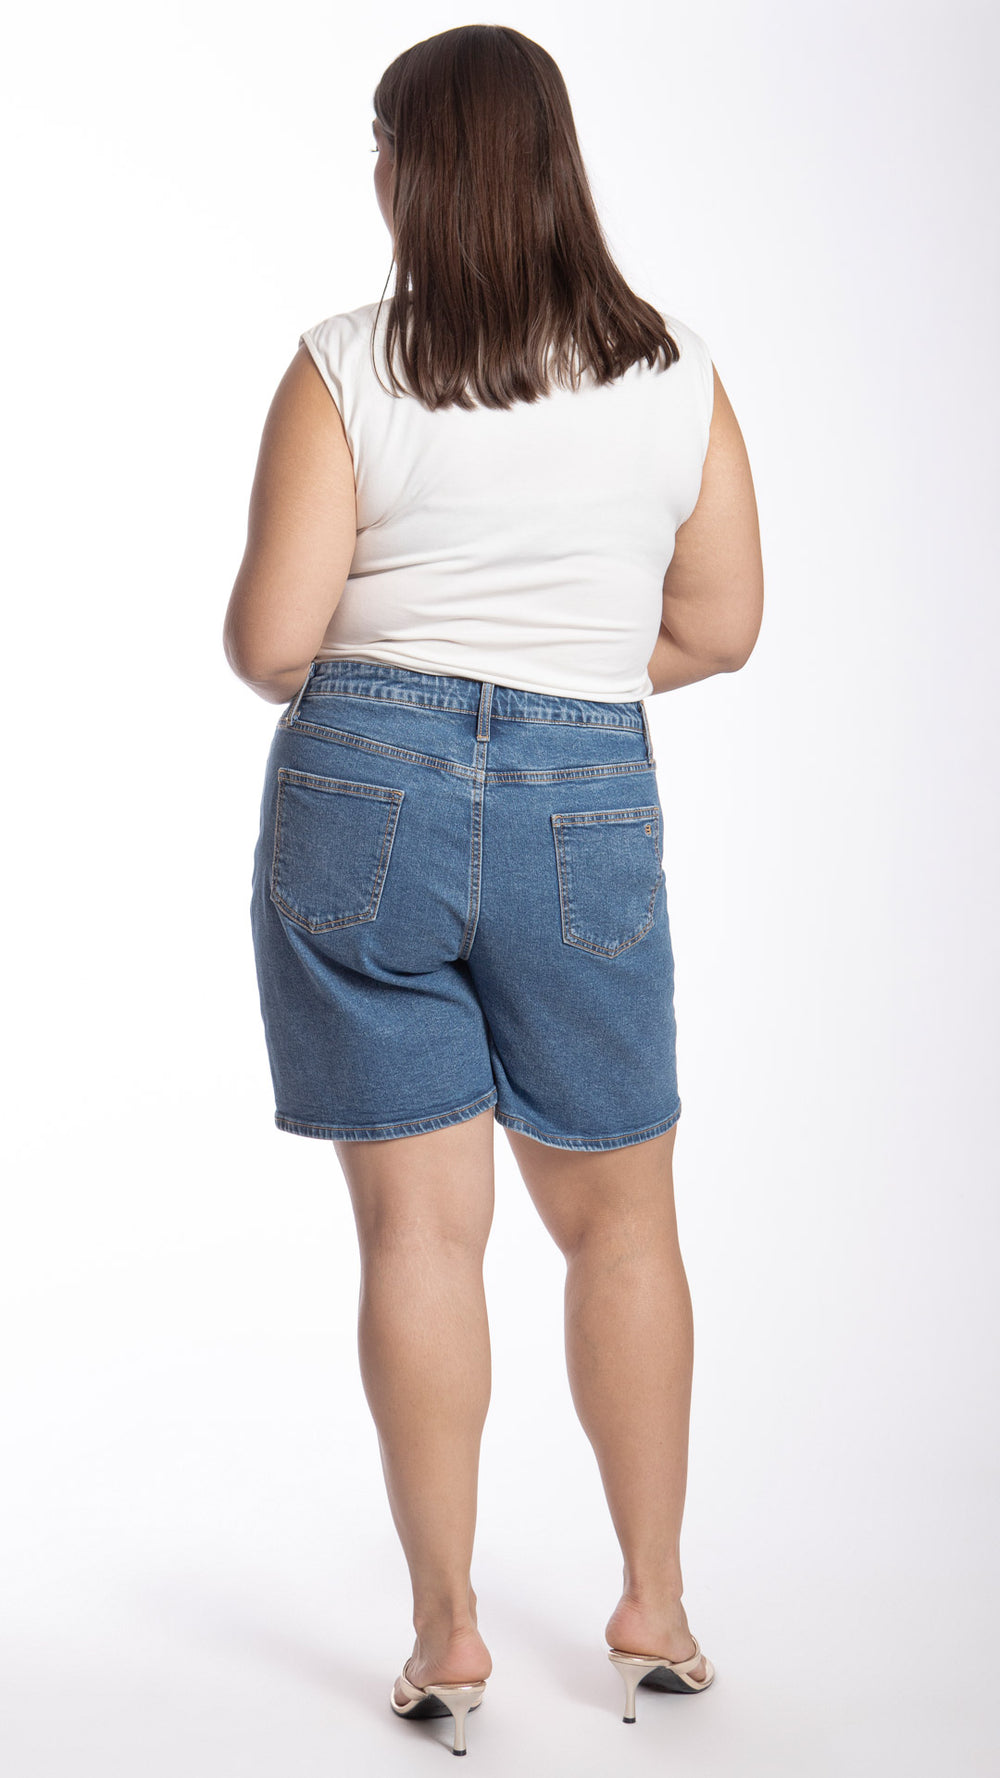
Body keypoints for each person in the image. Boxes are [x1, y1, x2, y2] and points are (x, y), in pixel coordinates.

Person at [223, 23, 763, 1756]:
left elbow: (273, 643)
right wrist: (559, 695)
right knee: (624, 1221)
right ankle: (655, 1606)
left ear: (405, 170)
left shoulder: (344, 365)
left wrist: (418, 692)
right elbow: (723, 626)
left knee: (418, 1232)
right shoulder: (673, 371)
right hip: (583, 790)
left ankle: (447, 1631)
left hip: (360, 789)